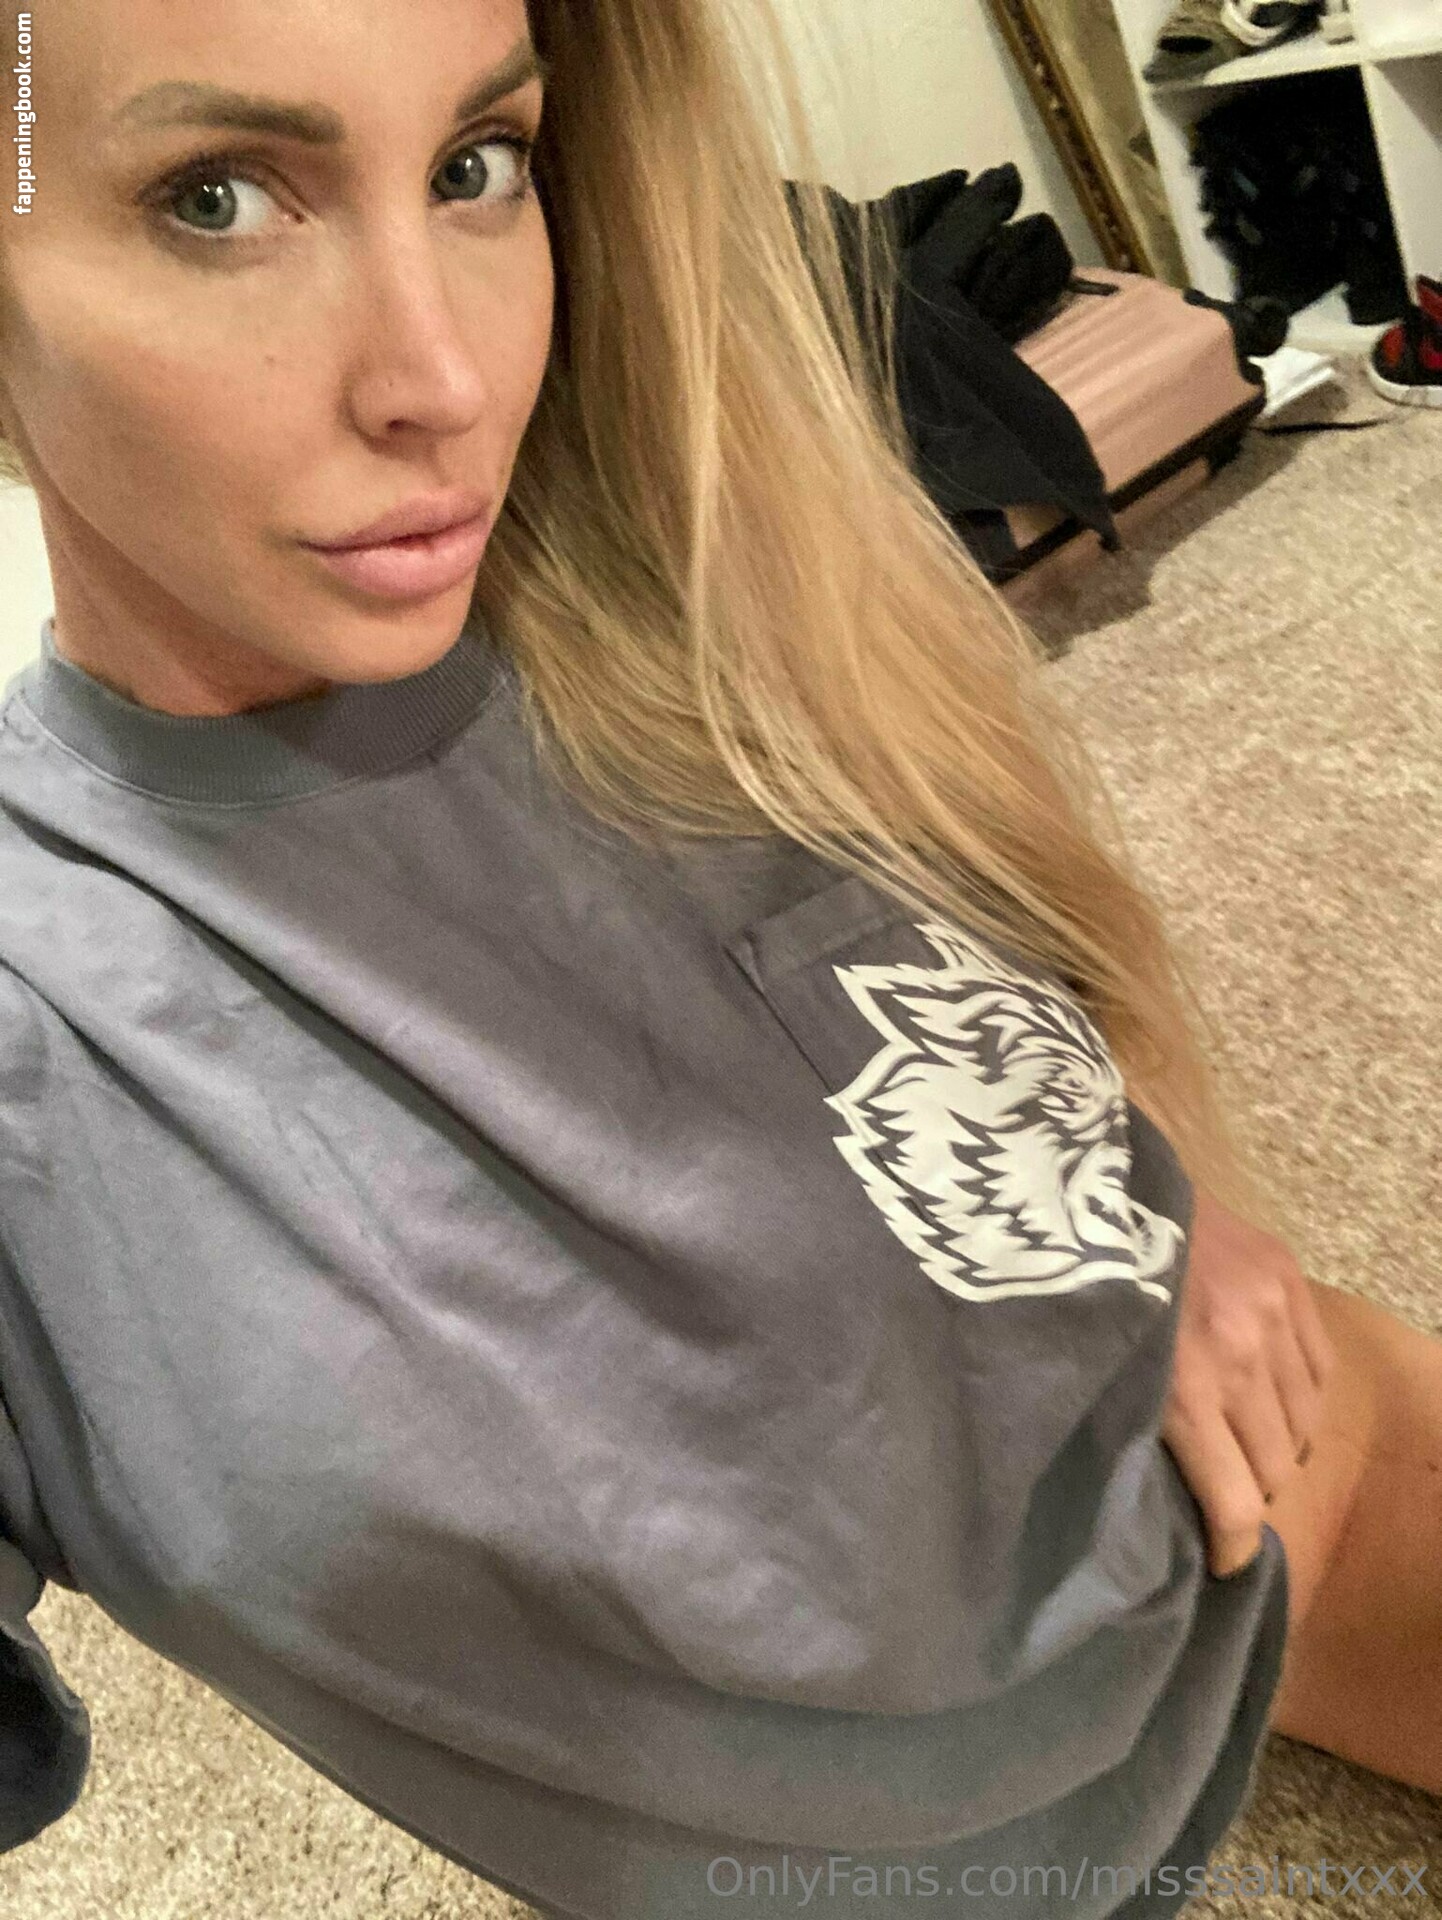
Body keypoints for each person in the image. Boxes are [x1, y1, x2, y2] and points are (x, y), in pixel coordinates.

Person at [0, 0, 1437, 1915]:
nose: (445, 377)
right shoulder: (44, 997)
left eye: (478, 166)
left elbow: (1004, 919)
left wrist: (1158, 1187)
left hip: (1296, 1481)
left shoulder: (668, 575)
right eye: (215, 197)